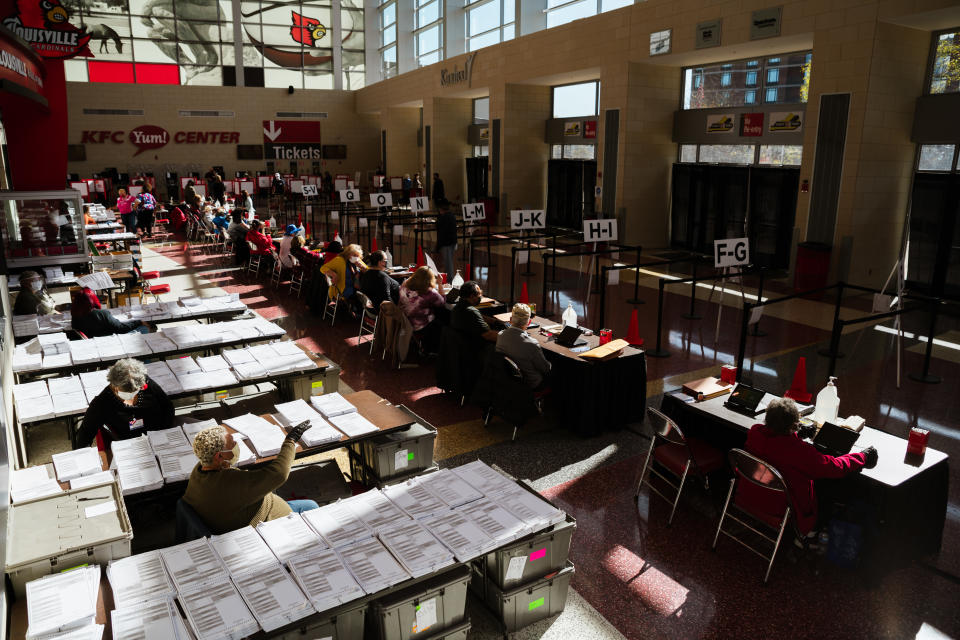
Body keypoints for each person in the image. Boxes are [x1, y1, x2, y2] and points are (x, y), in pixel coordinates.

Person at [741, 398, 878, 538]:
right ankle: (810, 534)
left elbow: (775, 445)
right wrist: (863, 457)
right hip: (781, 507)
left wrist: (796, 436)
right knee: (827, 486)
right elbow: (834, 467)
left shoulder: (754, 433)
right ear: (793, 425)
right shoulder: (799, 452)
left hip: (750, 494)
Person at [182, 422, 316, 533]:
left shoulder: (198, 471)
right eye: (232, 443)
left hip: (246, 511)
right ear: (219, 456)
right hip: (270, 524)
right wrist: (290, 440)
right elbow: (279, 473)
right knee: (312, 507)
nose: (236, 445)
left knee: (309, 505)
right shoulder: (230, 482)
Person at [76, 358, 174, 449]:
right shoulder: (101, 403)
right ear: (114, 385)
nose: (132, 396)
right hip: (128, 445)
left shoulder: (145, 382)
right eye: (126, 393)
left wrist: (163, 434)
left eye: (136, 391)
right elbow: (85, 434)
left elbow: (168, 407)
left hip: (157, 438)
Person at [496, 303, 551, 390]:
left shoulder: (500, 335)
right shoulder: (532, 344)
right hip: (530, 385)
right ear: (529, 322)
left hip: (508, 381)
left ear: (510, 320)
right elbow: (545, 369)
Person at [398, 266, 447, 349]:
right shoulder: (430, 293)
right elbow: (442, 302)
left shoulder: (405, 284)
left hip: (405, 322)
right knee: (444, 317)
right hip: (421, 325)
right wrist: (440, 284)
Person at [71, 287, 149, 337]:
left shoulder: (75, 317)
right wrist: (139, 322)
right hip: (110, 341)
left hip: (93, 343)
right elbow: (121, 329)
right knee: (144, 328)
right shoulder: (101, 314)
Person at [451, 281, 499, 345]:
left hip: (462, 345)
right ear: (471, 296)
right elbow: (489, 335)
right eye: (479, 294)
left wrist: (495, 321)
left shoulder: (457, 307)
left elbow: (478, 317)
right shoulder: (471, 312)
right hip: (476, 348)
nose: (480, 296)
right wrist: (507, 335)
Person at [436, 201, 457, 279]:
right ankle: (447, 278)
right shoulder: (452, 216)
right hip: (452, 242)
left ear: (441, 209)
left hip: (446, 243)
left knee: (448, 263)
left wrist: (438, 246)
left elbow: (441, 233)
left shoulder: (443, 218)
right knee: (448, 262)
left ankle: (449, 280)